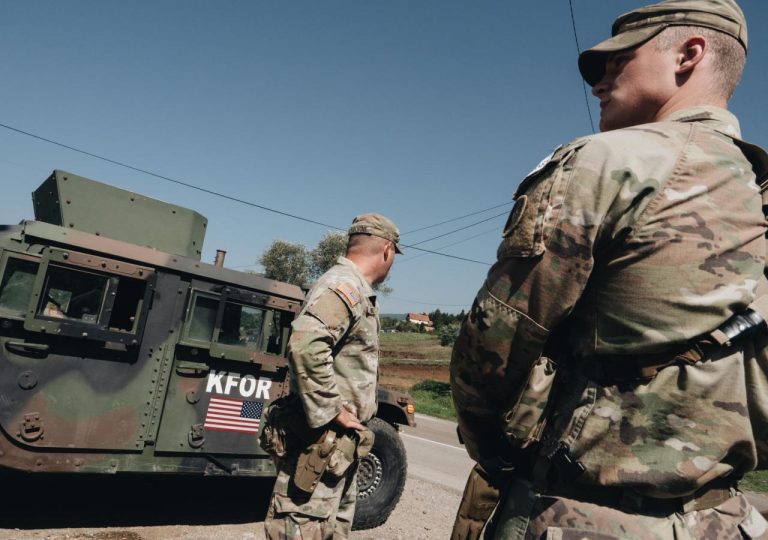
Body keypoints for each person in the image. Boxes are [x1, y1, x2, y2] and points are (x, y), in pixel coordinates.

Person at [450, 0, 768, 538]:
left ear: (688, 55)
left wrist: (495, 452)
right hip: (726, 520)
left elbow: (493, 347)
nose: (599, 83)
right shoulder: (755, 194)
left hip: (585, 515)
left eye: (616, 62)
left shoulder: (611, 162)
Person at [264, 213, 401, 540]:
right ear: (387, 250)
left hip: (338, 449)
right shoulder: (344, 287)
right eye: (394, 256)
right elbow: (306, 346)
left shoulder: (355, 289)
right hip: (319, 442)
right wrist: (332, 409)